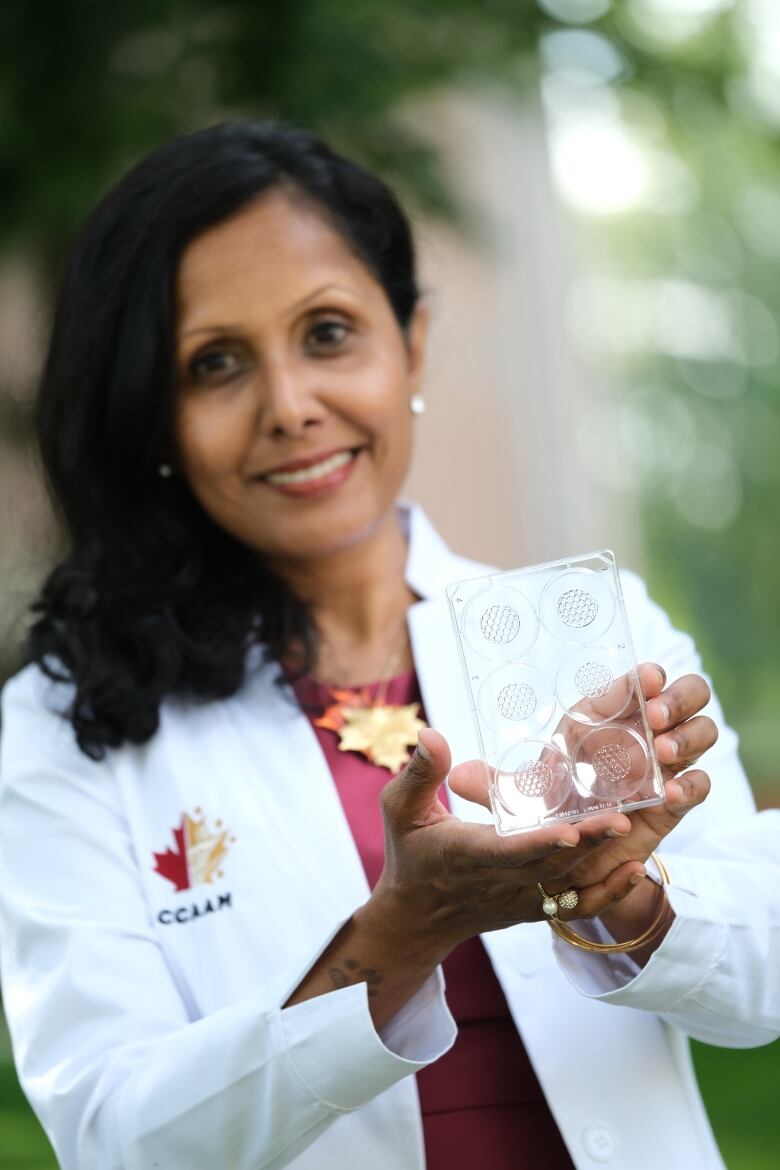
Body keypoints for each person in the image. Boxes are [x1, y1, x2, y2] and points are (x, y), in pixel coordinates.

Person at [0, 121, 777, 1170]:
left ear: (409, 342)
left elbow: (762, 982)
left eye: (327, 333)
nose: (290, 407)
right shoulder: (68, 724)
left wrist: (620, 898)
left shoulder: (592, 629)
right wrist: (403, 933)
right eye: (215, 363)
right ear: (152, 416)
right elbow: (115, 1137)